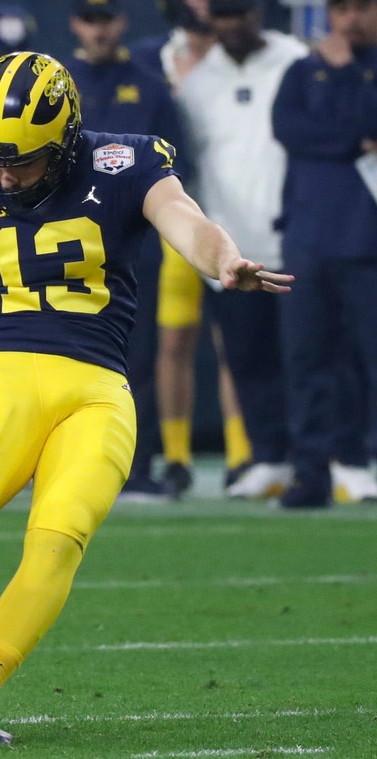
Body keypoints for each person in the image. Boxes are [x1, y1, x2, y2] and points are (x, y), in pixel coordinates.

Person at [0, 51, 291, 745]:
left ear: (67, 138)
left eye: (24, 161)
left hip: (96, 391)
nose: (4, 174)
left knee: (57, 539)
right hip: (1, 375)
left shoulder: (125, 163)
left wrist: (220, 259)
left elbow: (183, 217)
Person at [177, 0, 307, 499]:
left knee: (306, 358)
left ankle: (320, 456)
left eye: (241, 13)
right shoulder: (196, 84)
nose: (233, 25)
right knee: (247, 360)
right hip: (230, 248)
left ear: (259, 14)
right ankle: (269, 456)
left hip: (293, 240)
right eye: (224, 15)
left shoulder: (295, 61)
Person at [67, 0, 188, 501]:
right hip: (65, 242)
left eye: (107, 19)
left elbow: (174, 170)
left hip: (133, 246)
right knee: (64, 359)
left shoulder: (152, 89)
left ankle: (135, 469)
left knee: (134, 362)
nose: (99, 30)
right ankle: (63, 467)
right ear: (76, 24)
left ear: (122, 23)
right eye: (90, 20)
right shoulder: (55, 88)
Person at [134, 0, 256, 498]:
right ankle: (178, 454)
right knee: (173, 341)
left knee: (235, 342)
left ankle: (243, 453)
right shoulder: (151, 58)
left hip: (228, 214)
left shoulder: (242, 58)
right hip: (172, 217)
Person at [272, 0, 377, 506]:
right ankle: (310, 474)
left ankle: (360, 462)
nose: (350, 19)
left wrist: (348, 74)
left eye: (362, 7)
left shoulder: (357, 69)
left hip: (367, 240)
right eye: (341, 8)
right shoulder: (300, 71)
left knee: (368, 360)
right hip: (307, 240)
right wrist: (352, 140)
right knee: (306, 360)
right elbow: (289, 131)